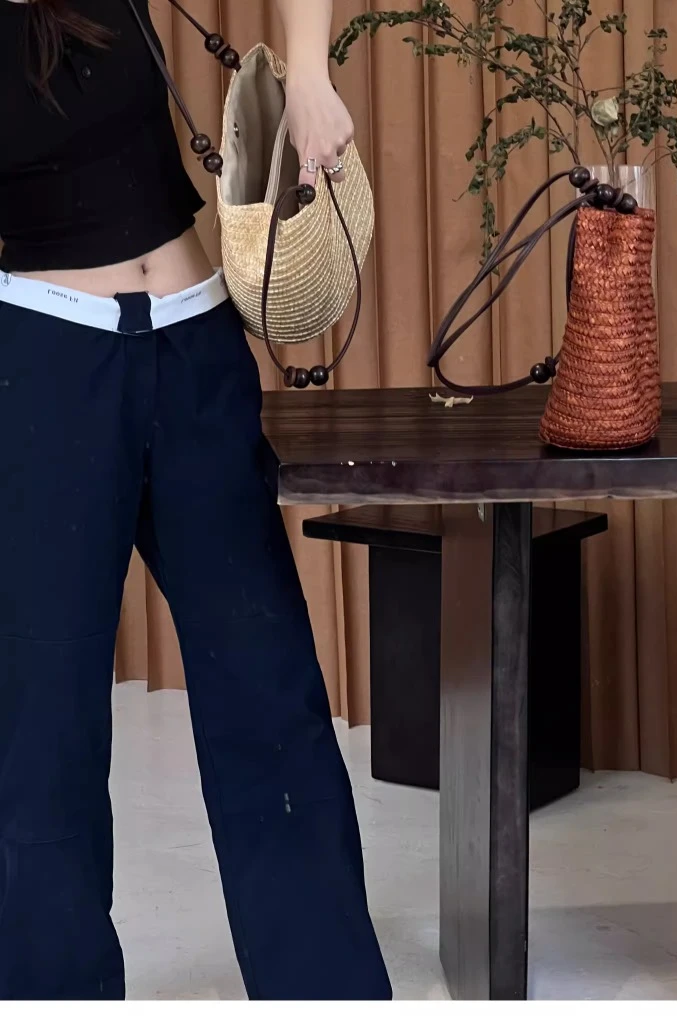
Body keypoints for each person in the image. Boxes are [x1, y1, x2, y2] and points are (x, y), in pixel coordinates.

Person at [0, 0, 392, 1001]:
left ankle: (327, 992)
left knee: (272, 697)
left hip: (194, 347)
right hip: (40, 361)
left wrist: (309, 75)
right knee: (41, 729)